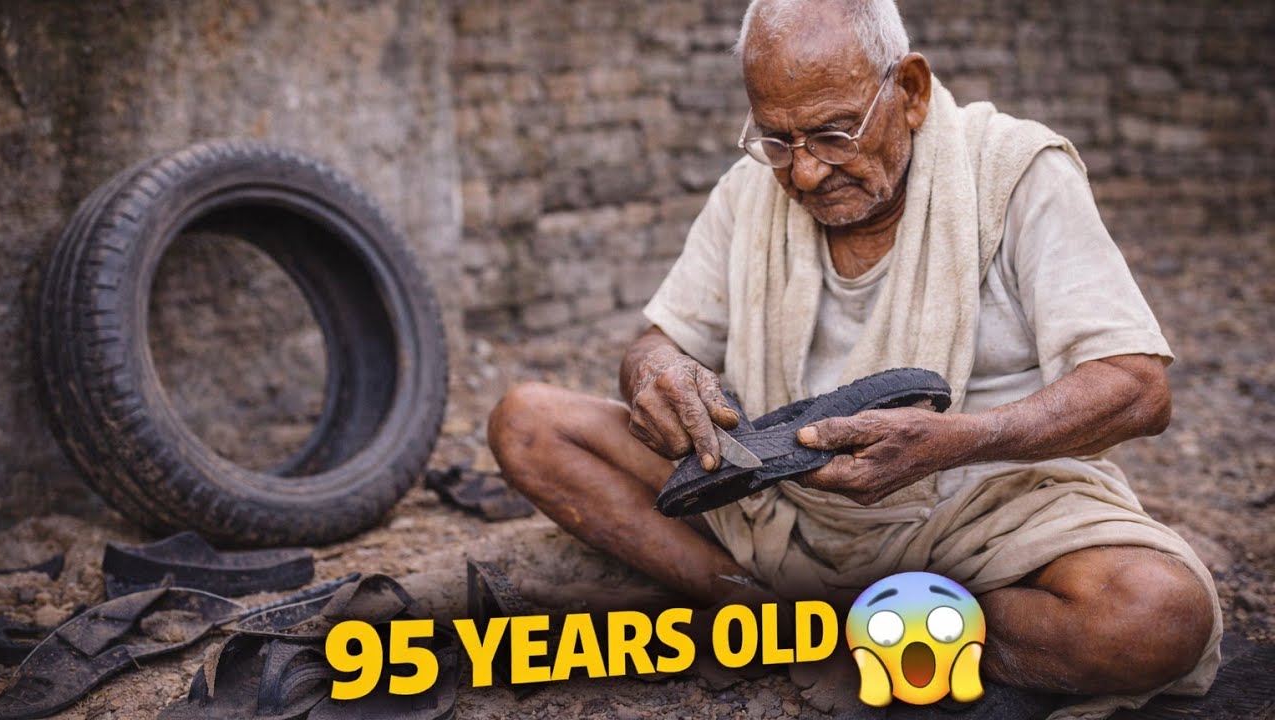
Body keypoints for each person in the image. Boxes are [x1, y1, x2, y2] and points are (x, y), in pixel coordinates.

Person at [488, 0, 1221, 716]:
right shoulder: (749, 194)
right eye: (777, 142)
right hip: (774, 497)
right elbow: (661, 338)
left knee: (1154, 619)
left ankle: (823, 625)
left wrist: (959, 441)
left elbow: (1137, 388)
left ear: (909, 91)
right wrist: (657, 376)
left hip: (981, 504)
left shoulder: (1015, 172)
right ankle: (802, 617)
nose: (804, 173)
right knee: (528, 423)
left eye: (833, 135)